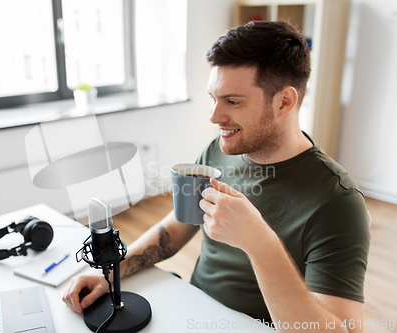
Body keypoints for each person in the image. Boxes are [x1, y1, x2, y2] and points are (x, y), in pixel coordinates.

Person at [63, 21, 370, 332]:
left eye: (232, 101)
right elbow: (178, 225)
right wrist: (112, 272)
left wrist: (260, 243)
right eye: (213, 97)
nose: (214, 116)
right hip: (192, 311)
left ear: (284, 102)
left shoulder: (338, 203)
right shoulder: (219, 150)